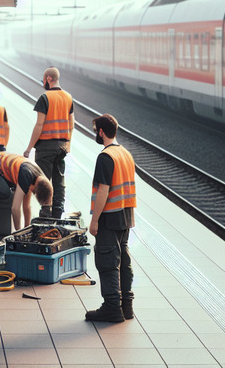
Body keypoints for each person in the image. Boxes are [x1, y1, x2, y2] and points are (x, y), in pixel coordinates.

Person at [85, 114, 136, 324]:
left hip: (110, 214)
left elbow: (103, 191)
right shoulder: (125, 153)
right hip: (126, 214)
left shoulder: (105, 157)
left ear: (101, 132)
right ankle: (127, 306)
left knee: (107, 261)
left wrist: (95, 220)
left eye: (96, 129)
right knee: (123, 259)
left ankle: (112, 308)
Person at [24, 67, 74, 218]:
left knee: (43, 181)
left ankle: (46, 213)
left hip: (46, 146)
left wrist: (29, 148)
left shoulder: (45, 98)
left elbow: (39, 125)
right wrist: (67, 144)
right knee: (59, 180)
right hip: (62, 147)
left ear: (48, 79)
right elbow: (71, 124)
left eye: (44, 79)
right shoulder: (68, 97)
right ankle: (58, 211)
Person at [0, 151, 52, 231]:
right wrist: (18, 232)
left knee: (19, 192)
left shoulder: (38, 178)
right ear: (35, 190)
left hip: (0, 165)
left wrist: (27, 229)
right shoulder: (26, 175)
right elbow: (15, 209)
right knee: (5, 193)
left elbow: (26, 206)